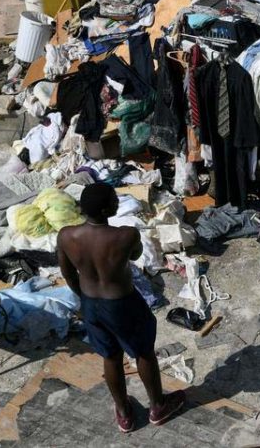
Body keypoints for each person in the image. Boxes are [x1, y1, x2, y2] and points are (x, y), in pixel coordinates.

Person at [57, 182, 185, 432]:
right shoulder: (125, 235)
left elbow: (68, 274)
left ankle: (125, 413)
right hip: (123, 304)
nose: (118, 202)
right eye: (115, 200)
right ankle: (158, 406)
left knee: (111, 356)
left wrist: (84, 299)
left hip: (91, 304)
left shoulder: (66, 236)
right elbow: (136, 256)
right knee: (144, 353)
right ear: (107, 210)